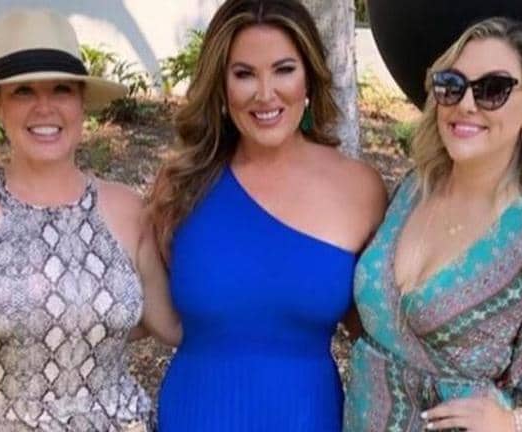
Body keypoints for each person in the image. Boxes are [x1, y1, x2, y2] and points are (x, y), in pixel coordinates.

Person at [344, 16, 522, 432]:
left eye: (493, 89)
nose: (466, 104)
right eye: (452, 85)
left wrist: (519, 422)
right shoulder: (412, 190)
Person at [0, 9, 180, 432]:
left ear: (81, 102)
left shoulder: (130, 210)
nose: (45, 107)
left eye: (61, 89)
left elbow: (170, 324)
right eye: (23, 91)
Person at [147, 0, 387, 430]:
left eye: (283, 70)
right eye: (244, 74)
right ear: (221, 85)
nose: (265, 93)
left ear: (309, 75)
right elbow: (132, 304)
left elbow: (376, 337)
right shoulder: (181, 185)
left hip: (308, 418)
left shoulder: (360, 189)